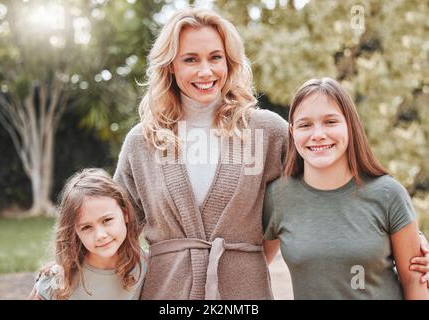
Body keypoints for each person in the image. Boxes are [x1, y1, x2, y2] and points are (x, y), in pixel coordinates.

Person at [113, 8, 287, 299]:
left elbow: (309, 198)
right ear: (170, 66)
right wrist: (65, 268)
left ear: (229, 62)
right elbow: (114, 226)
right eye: (190, 59)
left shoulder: (266, 131)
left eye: (215, 57)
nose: (205, 71)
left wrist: (246, 261)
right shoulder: (143, 142)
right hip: (166, 294)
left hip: (245, 294)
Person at [263, 77, 429, 299]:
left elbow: (415, 280)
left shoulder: (389, 194)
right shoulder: (278, 197)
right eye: (305, 125)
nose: (318, 134)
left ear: (350, 126)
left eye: (330, 122)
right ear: (293, 133)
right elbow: (252, 263)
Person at [29, 168, 147, 300]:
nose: (100, 235)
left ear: (125, 214)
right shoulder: (57, 281)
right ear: (74, 232)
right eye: (86, 227)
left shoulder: (147, 266)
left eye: (107, 220)